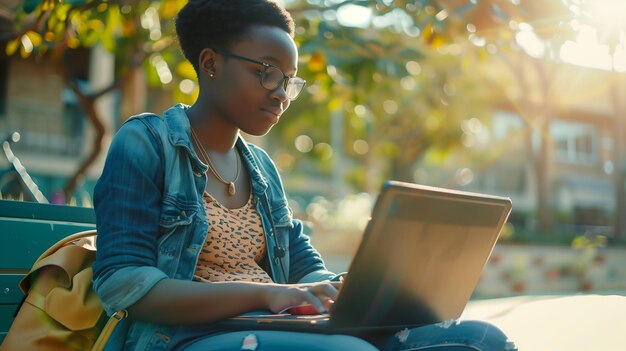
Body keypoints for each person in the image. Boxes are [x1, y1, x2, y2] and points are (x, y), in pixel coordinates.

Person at [92, 1, 517, 350]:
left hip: (272, 328)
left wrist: (342, 291)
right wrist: (265, 293)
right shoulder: (146, 143)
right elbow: (125, 284)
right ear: (211, 64)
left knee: (480, 340)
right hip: (184, 338)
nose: (281, 92)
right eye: (268, 71)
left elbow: (302, 265)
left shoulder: (259, 168)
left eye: (290, 81)